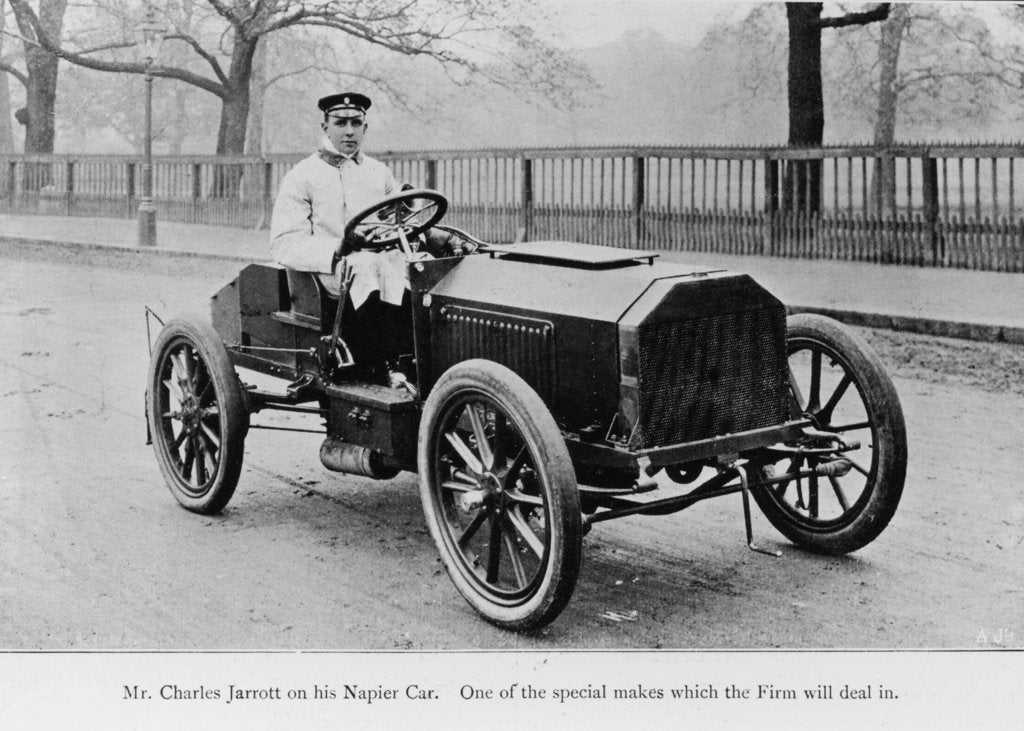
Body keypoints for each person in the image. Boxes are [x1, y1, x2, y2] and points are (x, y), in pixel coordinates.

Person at [269, 91, 416, 376]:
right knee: (365, 264)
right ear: (325, 127)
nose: (349, 131)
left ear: (365, 127)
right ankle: (378, 365)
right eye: (340, 123)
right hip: (328, 272)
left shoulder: (378, 172)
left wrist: (407, 209)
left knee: (419, 263)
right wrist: (339, 246)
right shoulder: (302, 176)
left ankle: (414, 360)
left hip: (377, 265)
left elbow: (396, 214)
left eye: (356, 123)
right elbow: (284, 244)